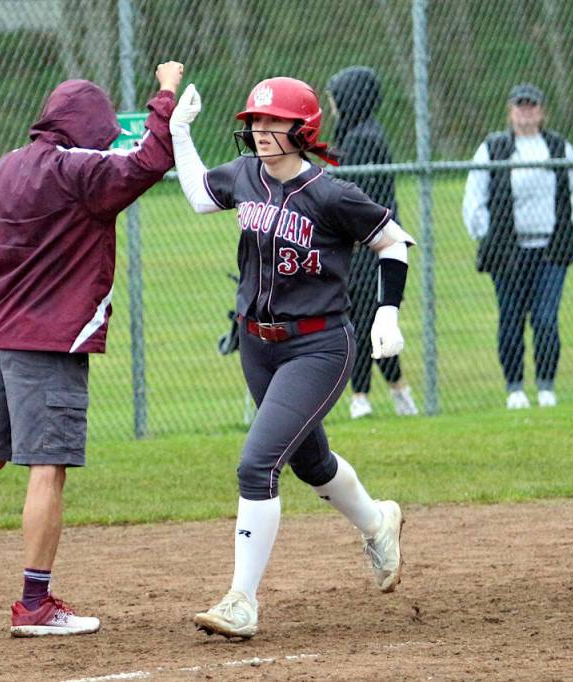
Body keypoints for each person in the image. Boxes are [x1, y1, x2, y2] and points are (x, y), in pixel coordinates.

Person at [0, 62, 184, 640]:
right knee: (46, 469)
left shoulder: (7, 166)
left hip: (2, 340)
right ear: (86, 127)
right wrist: (166, 95)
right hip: (49, 345)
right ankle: (34, 603)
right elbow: (149, 163)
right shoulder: (77, 170)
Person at [169, 77, 413, 638]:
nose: (258, 131)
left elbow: (392, 240)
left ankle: (241, 601)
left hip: (318, 345)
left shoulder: (331, 193)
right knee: (310, 463)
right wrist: (179, 130)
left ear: (302, 130)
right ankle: (379, 523)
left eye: (272, 122)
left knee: (258, 464)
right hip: (257, 345)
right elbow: (199, 194)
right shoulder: (244, 176)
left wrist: (387, 312)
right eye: (254, 122)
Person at [462, 83, 573, 410]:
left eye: (532, 106)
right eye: (520, 106)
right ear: (510, 110)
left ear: (542, 111)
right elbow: (475, 198)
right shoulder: (494, 148)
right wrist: (490, 234)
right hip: (508, 253)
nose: (526, 112)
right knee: (511, 317)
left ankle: (546, 385)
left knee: (545, 318)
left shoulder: (558, 147)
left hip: (550, 250)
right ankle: (515, 387)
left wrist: (570, 229)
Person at [326, 66, 418, 418]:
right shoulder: (356, 134)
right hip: (364, 241)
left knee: (360, 322)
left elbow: (356, 199)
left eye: (336, 96)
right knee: (363, 320)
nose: (332, 104)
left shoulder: (362, 139)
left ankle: (362, 397)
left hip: (368, 245)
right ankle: (398, 391)